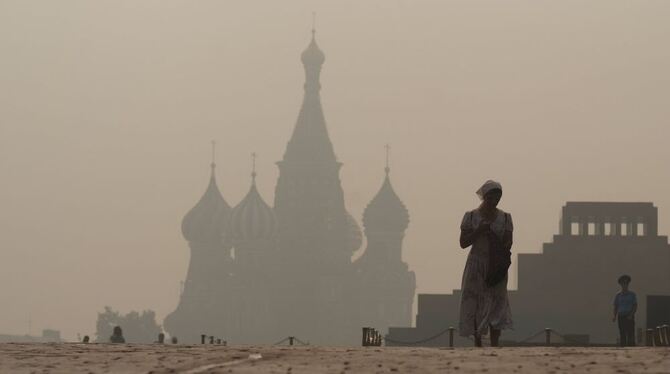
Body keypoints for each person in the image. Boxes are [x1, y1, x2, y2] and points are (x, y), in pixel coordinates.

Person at [458, 180, 514, 347]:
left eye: (498, 198)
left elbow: (509, 241)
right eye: (492, 197)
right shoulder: (471, 216)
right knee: (475, 301)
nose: (495, 201)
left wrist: (500, 244)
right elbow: (463, 242)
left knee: (497, 302)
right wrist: (479, 231)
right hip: (476, 264)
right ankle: (477, 340)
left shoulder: (505, 218)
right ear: (485, 197)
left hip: (496, 265)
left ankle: (495, 342)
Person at [612, 274, 637, 346]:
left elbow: (635, 306)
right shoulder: (618, 295)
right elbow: (616, 306)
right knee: (622, 332)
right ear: (621, 284)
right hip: (621, 316)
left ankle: (631, 347)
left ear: (628, 284)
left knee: (630, 332)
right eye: (623, 283)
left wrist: (631, 315)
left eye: (626, 283)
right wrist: (614, 316)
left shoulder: (632, 294)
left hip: (629, 316)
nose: (625, 285)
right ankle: (623, 346)